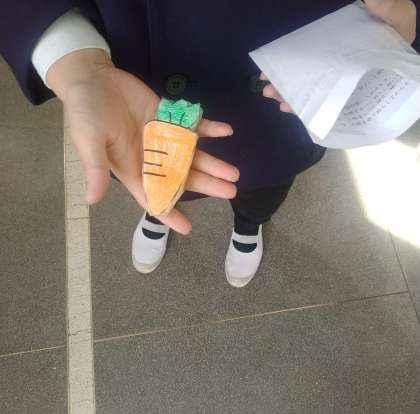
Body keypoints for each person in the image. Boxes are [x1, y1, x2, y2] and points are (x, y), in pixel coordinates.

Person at [1, 1, 418, 287]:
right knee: (159, 174)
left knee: (263, 183)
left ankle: (249, 226)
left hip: (290, 84)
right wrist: (75, 61)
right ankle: (159, 208)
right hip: (139, 80)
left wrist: (407, 12)